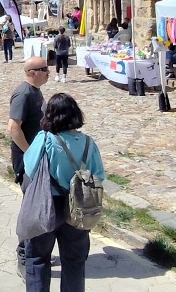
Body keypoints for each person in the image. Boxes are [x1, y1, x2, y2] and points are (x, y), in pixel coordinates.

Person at [22, 93, 105, 291]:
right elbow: (98, 175)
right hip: (78, 207)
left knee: (37, 259)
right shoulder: (88, 143)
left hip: (46, 204)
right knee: (74, 261)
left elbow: (29, 167)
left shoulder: (45, 139)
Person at [8, 56, 48, 279]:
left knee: (40, 207)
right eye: (43, 68)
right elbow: (13, 127)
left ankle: (35, 250)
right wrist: (30, 153)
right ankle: (24, 256)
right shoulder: (23, 94)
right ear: (32, 72)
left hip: (38, 160)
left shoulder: (35, 91)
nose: (48, 71)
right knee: (31, 211)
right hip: (29, 164)